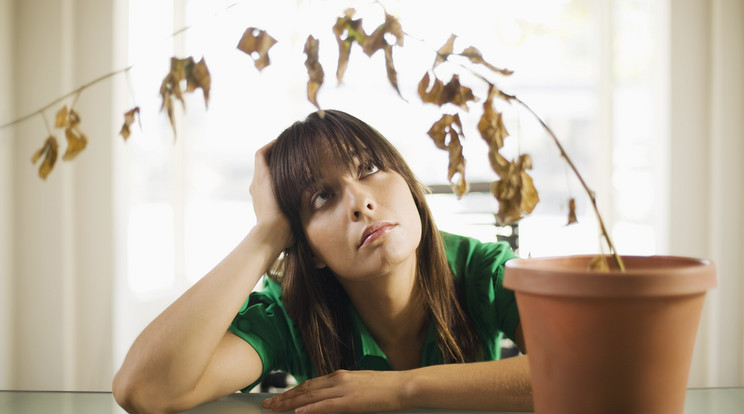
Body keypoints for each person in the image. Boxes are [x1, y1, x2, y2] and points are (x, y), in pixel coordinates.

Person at [112, 110, 533, 414]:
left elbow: (584, 375)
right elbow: (144, 391)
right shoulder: (291, 312)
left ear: (406, 180)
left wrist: (401, 389)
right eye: (322, 197)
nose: (360, 202)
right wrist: (266, 236)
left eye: (368, 167)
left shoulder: (485, 269)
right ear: (307, 247)